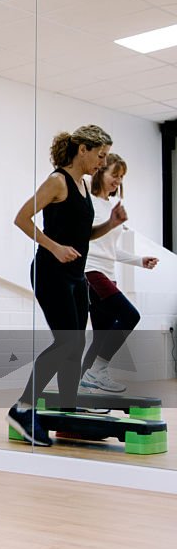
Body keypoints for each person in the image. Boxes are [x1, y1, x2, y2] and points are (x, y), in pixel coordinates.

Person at [7, 125, 125, 446]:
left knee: (76, 345)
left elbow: (80, 235)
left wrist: (110, 225)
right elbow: (21, 218)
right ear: (82, 149)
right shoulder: (57, 181)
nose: (101, 163)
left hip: (76, 275)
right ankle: (22, 408)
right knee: (66, 343)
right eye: (99, 156)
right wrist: (54, 247)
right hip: (50, 271)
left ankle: (68, 410)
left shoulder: (83, 186)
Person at [79, 154, 158, 394]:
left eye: (121, 177)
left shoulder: (113, 206)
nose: (118, 180)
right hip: (92, 272)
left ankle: (79, 387)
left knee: (100, 337)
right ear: (101, 173)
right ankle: (96, 371)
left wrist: (139, 260)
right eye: (114, 174)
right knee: (130, 315)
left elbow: (111, 249)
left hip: (108, 273)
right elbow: (88, 240)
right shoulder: (88, 202)